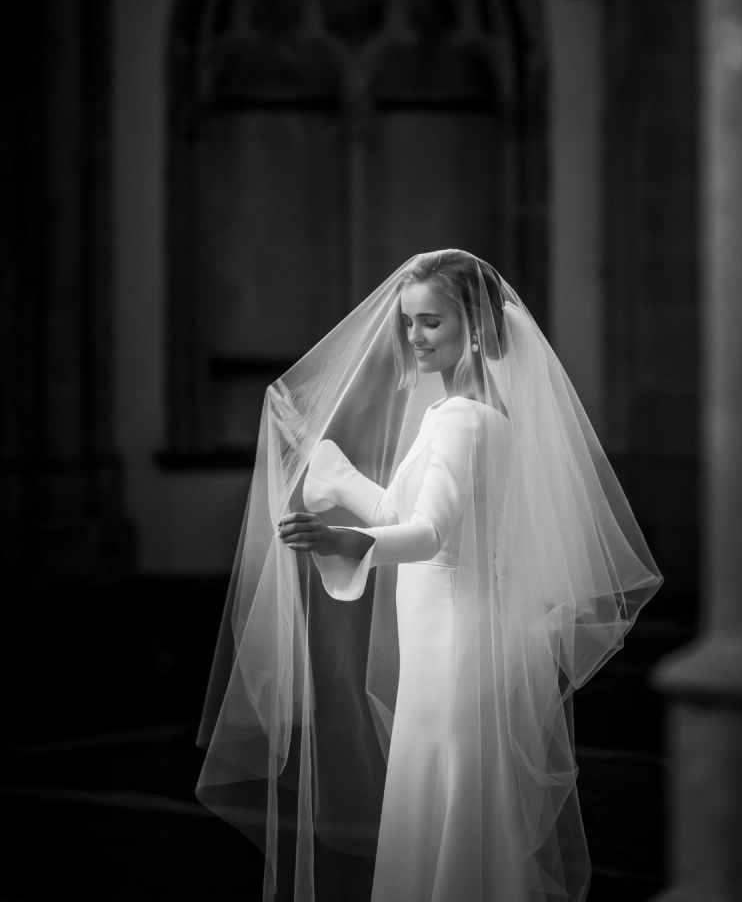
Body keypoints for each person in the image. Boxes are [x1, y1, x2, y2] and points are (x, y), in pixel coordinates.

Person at [196, 250, 662, 902]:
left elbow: (428, 534)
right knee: (447, 799)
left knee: (448, 799)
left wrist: (343, 538)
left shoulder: (462, 421)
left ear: (474, 327)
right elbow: (405, 514)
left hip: (456, 646)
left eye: (431, 322)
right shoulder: (467, 415)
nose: (414, 337)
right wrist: (334, 473)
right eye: (409, 322)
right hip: (449, 637)